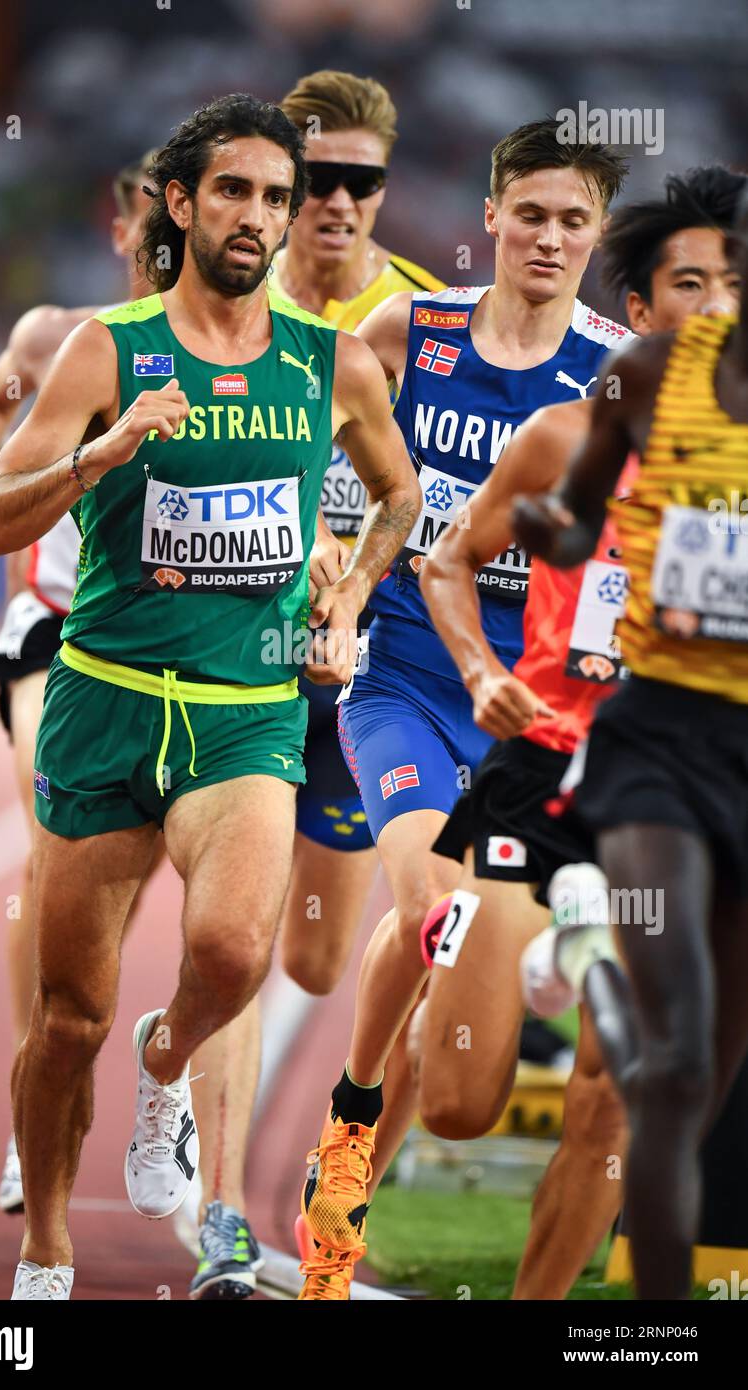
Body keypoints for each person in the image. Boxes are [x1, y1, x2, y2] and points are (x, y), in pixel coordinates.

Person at [0, 92, 420, 1302]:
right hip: (105, 698)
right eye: (235, 192)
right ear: (178, 203)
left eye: (277, 197)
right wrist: (96, 455)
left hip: (245, 709)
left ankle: (168, 1061)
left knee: (227, 950)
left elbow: (399, 499)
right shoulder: (105, 349)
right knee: (65, 1020)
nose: (259, 217)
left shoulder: (331, 361)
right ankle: (46, 1250)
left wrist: (344, 603)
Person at [295, 116, 631, 1300]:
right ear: (486, 218)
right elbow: (328, 478)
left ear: (594, 239)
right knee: (434, 908)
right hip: (404, 681)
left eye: (570, 221)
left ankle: (348, 1169)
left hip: (528, 708)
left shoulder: (609, 375)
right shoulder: (407, 331)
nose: (546, 237)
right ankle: (346, 1115)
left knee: (447, 975)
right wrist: (335, 576)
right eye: (526, 213)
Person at [419, 165, 745, 1298]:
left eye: (731, 284)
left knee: (623, 1090)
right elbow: (449, 558)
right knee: (456, 1103)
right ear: (641, 311)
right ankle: (419, 946)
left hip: (675, 776)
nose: (712, 307)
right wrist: (475, 670)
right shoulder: (570, 432)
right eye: (686, 285)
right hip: (542, 770)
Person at [184, 68, 444, 1301]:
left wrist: (357, 579)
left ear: (384, 189)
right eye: (311, 181)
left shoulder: (419, 326)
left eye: (358, 182)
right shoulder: (224, 296)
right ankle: (224, 1219)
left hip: (360, 670)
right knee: (230, 944)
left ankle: (297, 1163)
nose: (332, 204)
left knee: (318, 960)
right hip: (233, 662)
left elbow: (421, 500)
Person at [0, 151, 157, 1216]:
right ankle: (27, 1096)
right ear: (120, 224)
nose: (153, 243)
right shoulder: (50, 339)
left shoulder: (237, 350)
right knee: (49, 842)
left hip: (176, 648)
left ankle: (105, 1064)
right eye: (141, 223)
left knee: (113, 902)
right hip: (52, 631)